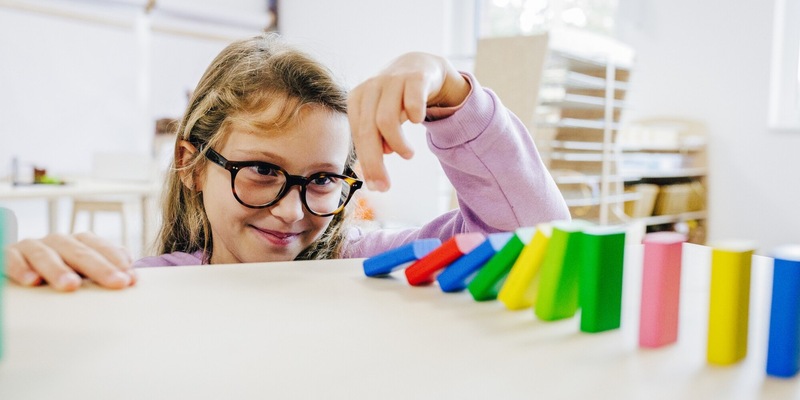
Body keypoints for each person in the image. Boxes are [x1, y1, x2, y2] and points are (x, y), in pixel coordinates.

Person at [4, 33, 569, 291]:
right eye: (263, 170)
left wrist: (451, 93)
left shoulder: (366, 267)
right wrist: (31, 277)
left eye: (321, 179)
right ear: (191, 164)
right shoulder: (147, 287)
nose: (292, 212)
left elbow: (534, 241)